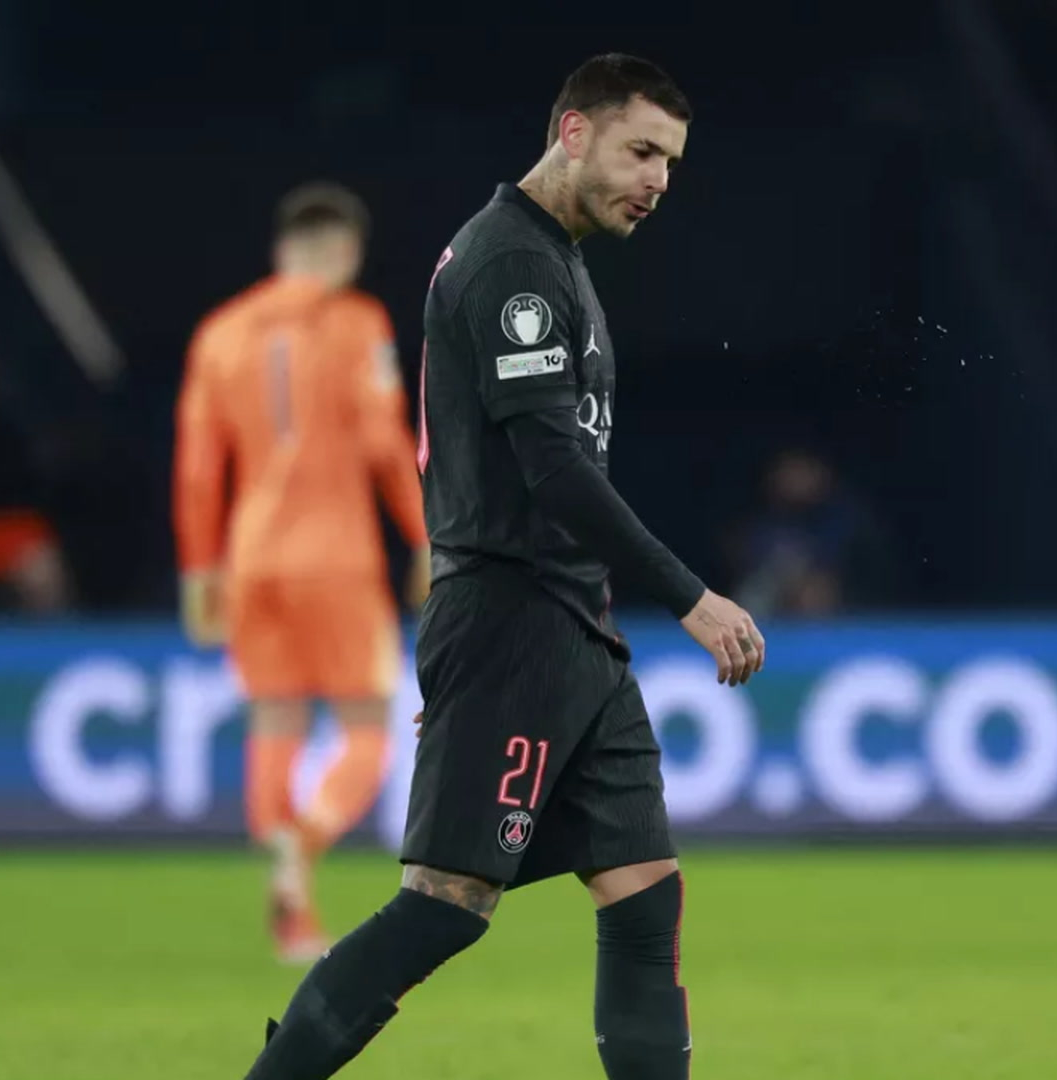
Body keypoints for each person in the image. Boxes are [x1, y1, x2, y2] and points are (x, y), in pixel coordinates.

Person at [241, 53, 764, 1080]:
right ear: (573, 132)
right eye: (641, 152)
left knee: (644, 891)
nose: (658, 180)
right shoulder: (510, 265)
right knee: (447, 905)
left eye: (670, 162)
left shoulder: (553, 260)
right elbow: (555, 472)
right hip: (512, 622)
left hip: (572, 625)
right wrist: (690, 597)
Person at [174, 181, 430, 963]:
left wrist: (199, 569)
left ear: (282, 249)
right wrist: (427, 539)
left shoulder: (219, 333)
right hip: (337, 558)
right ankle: (306, 843)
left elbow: (197, 468)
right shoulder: (358, 324)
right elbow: (385, 444)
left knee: (275, 721)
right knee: (367, 725)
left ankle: (293, 913)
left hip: (252, 560)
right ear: (344, 251)